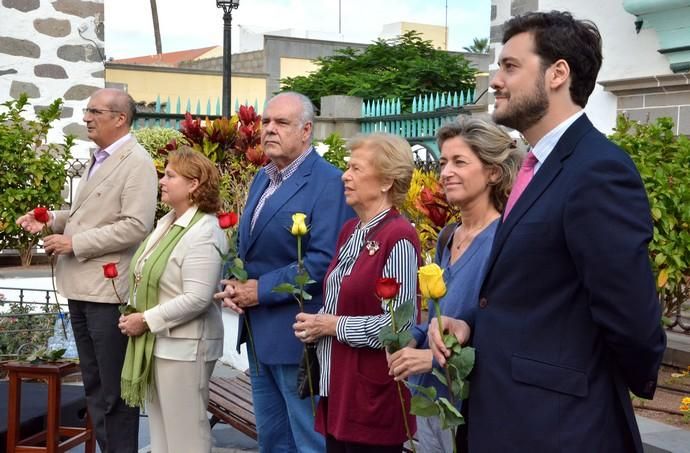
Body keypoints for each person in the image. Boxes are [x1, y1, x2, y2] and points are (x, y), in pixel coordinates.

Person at [429, 11, 667, 453]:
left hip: (557, 427)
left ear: (558, 73)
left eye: (510, 66)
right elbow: (532, 293)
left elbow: (631, 317)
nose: (495, 80)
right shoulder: (535, 168)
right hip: (507, 418)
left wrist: (580, 381)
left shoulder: (597, 169)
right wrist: (470, 327)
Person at [16, 88, 158, 452]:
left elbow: (135, 226)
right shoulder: (101, 158)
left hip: (107, 292)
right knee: (94, 387)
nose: (86, 118)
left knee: (114, 391)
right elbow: (86, 215)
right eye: (87, 110)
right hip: (81, 287)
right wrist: (49, 220)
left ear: (119, 119)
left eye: (94, 111)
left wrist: (75, 244)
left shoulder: (136, 161)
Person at [215, 91, 353, 453]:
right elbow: (250, 247)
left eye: (282, 123)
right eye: (265, 122)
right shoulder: (264, 177)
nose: (269, 130)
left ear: (307, 130)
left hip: (299, 337)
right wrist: (234, 282)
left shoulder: (329, 184)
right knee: (273, 442)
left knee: (309, 442)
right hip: (259, 335)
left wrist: (258, 291)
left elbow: (325, 261)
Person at [387, 117, 520, 452]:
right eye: (443, 162)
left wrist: (430, 359)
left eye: (460, 162)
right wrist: (409, 340)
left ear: (493, 172)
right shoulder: (449, 236)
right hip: (433, 402)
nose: (445, 172)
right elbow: (439, 314)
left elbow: (502, 334)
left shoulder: (504, 243)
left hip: (473, 411)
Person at [293, 133, 420, 452]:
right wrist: (316, 324)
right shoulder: (352, 230)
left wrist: (332, 326)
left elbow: (397, 328)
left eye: (356, 169)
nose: (345, 176)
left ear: (386, 181)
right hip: (340, 391)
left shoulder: (399, 237)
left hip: (371, 401)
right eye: (346, 168)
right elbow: (343, 299)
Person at [118, 147, 227, 453]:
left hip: (186, 348)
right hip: (158, 344)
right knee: (162, 435)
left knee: (186, 437)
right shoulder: (167, 223)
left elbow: (197, 297)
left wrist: (146, 319)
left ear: (194, 184)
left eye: (170, 175)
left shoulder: (205, 231)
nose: (162, 181)